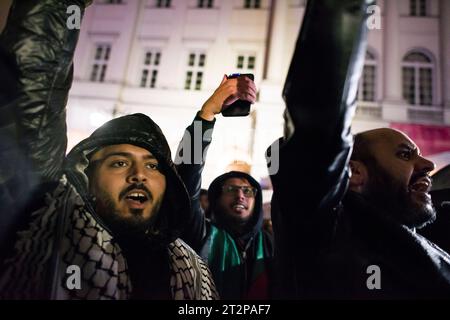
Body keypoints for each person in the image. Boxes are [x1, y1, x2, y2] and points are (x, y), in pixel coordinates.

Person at [0, 0, 217, 300]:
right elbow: (29, 102)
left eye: (153, 166)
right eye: (118, 163)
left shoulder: (194, 268)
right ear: (86, 176)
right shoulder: (45, 223)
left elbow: (187, 177)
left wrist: (205, 119)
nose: (139, 174)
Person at [270, 0, 450, 299]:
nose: (428, 165)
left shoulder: (426, 234)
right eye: (405, 155)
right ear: (354, 173)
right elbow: (319, 122)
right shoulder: (327, 228)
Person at [176, 75, 274, 299]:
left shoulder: (271, 244)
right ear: (215, 199)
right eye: (230, 189)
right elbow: (185, 179)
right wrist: (207, 113)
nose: (240, 194)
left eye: (248, 190)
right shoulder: (201, 234)